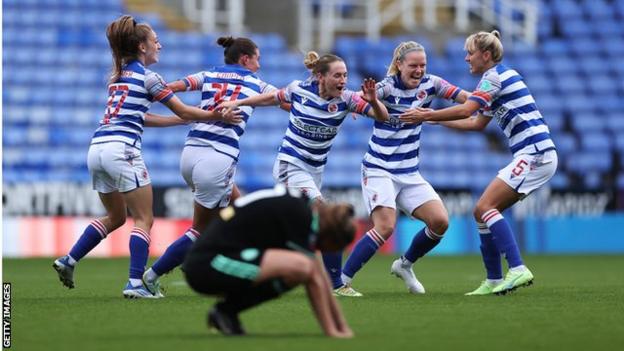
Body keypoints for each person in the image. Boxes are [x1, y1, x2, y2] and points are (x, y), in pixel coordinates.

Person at [52, 15, 241, 299]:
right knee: (144, 218)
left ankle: (69, 260)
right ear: (142, 46)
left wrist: (181, 121)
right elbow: (185, 111)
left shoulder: (117, 78)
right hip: (122, 150)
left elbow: (142, 117)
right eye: (155, 41)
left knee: (116, 217)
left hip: (97, 149)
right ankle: (135, 283)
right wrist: (215, 114)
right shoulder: (149, 78)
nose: (160, 46)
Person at [399, 30, 557, 295]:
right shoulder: (494, 81)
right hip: (532, 153)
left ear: (485, 55)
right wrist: (430, 119)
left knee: (485, 206)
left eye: (470, 53)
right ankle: (494, 280)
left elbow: (466, 110)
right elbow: (476, 123)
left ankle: (517, 268)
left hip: (535, 152)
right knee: (480, 212)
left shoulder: (493, 78)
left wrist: (428, 114)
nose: (466, 58)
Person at [219, 51, 389, 296]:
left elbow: (382, 117)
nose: (343, 80)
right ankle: (337, 285)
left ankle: (244, 261)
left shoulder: (349, 99)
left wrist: (373, 100)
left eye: (345, 76)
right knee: (329, 218)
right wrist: (237, 103)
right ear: (320, 76)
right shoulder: (298, 89)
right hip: (291, 165)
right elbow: (271, 98)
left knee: (296, 227)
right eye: (337, 75)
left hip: (314, 169)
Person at [142, 36, 289, 296]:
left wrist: (146, 94)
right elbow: (285, 101)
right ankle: (153, 275)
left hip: (190, 154)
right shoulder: (255, 82)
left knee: (239, 209)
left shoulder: (209, 74)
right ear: (245, 59)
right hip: (218, 156)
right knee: (201, 228)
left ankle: (207, 260)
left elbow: (176, 85)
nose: (259, 63)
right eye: (257, 58)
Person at [340, 41, 470, 295]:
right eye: (413, 65)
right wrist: (359, 104)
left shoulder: (432, 84)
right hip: (379, 168)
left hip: (409, 172)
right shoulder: (388, 86)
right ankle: (342, 281)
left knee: (440, 222)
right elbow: (360, 97)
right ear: (399, 65)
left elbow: (468, 101)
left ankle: (404, 264)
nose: (419, 70)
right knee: (386, 227)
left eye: (423, 65)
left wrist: (483, 99)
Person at [182, 184, 355, 337]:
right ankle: (226, 311)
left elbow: (320, 277)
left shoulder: (304, 209)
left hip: (215, 259)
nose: (323, 252)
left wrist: (342, 326)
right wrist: (332, 331)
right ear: (330, 238)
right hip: (206, 265)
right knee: (301, 267)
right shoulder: (300, 215)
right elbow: (315, 280)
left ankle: (225, 312)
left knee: (298, 270)